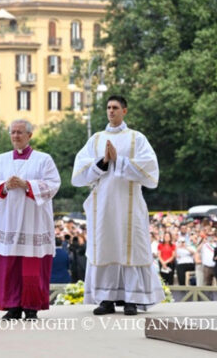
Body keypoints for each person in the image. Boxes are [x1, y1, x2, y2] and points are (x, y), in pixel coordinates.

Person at [71, 95, 164, 315]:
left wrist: (119, 160)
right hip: (102, 206)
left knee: (131, 249)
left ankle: (132, 299)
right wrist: (103, 162)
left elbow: (150, 169)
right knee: (106, 247)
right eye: (108, 107)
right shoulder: (96, 139)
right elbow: (79, 174)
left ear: (124, 111)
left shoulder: (136, 138)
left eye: (115, 107)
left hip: (129, 205)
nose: (111, 111)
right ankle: (106, 299)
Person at [0, 119, 61, 320]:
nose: (16, 136)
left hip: (33, 221)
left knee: (31, 267)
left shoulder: (43, 159)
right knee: (9, 265)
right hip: (7, 220)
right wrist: (5, 186)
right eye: (13, 132)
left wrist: (27, 185)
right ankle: (12, 306)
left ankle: (31, 307)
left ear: (29, 135)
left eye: (20, 132)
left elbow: (53, 185)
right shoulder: (0, 159)